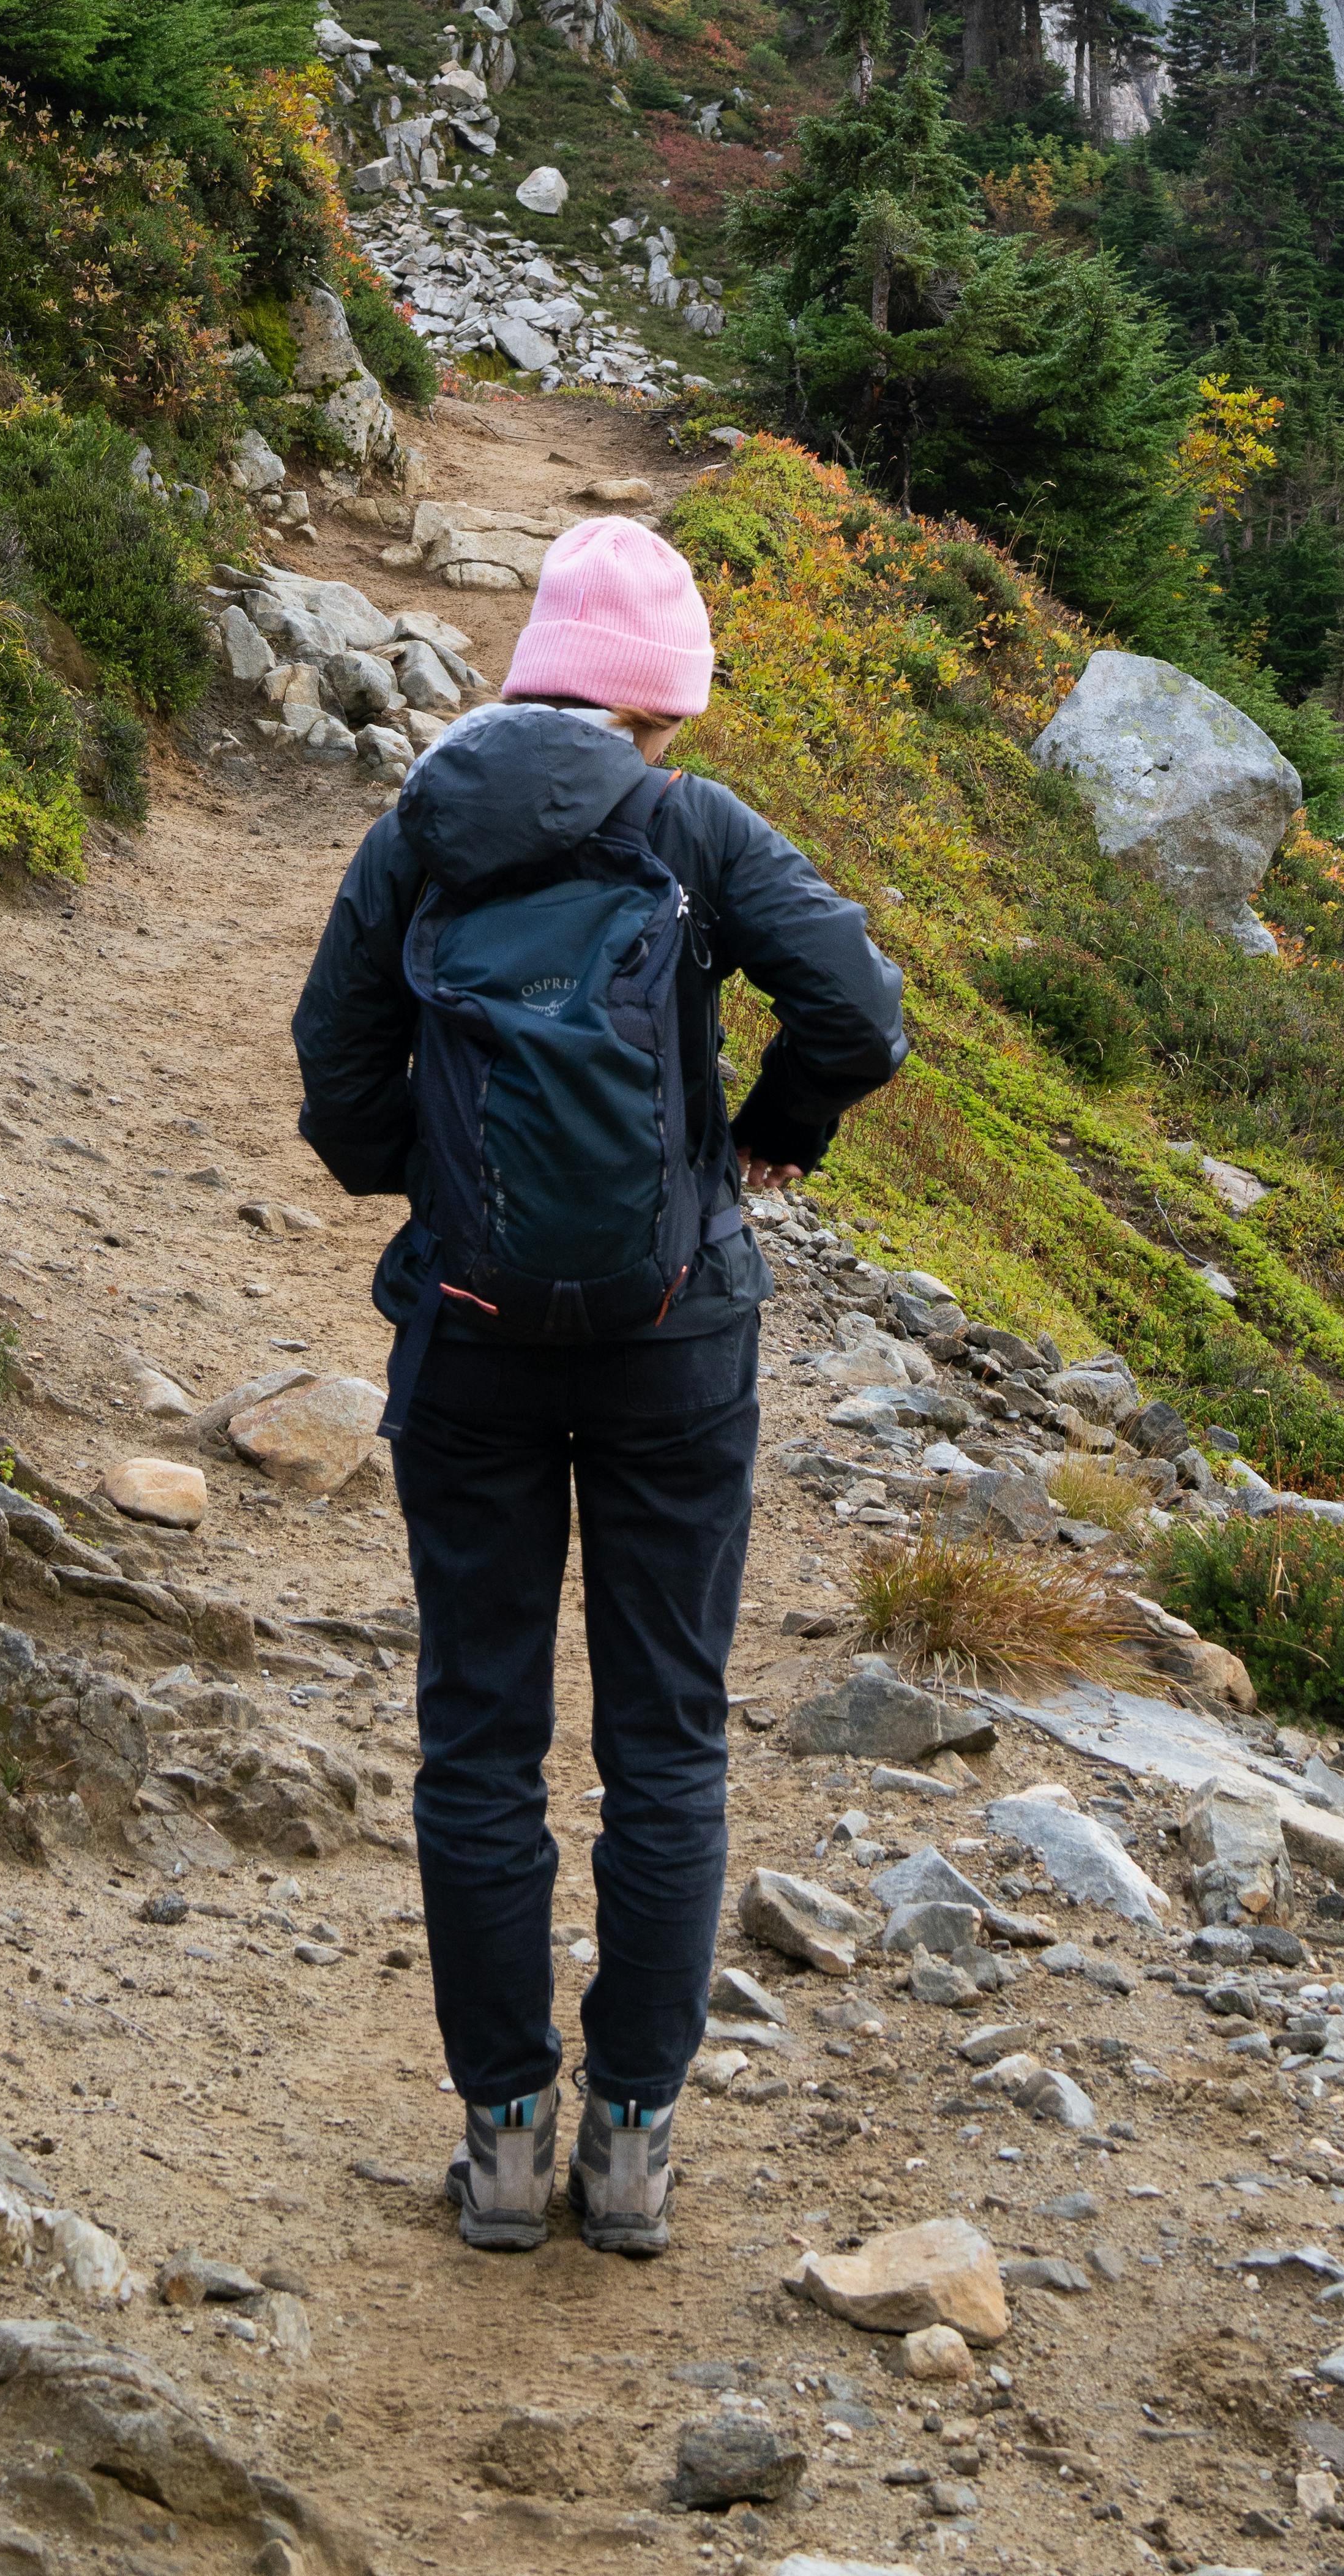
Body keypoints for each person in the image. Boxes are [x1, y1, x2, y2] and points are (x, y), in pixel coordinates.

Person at [290, 510, 906, 2257]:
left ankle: (499, 2139)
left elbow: (334, 1071)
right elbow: (858, 1010)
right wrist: (764, 1143)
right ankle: (629, 2143)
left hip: (471, 1337)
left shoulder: (424, 827)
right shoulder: (692, 827)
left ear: (532, 675)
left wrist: (438, 1184)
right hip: (674, 1341)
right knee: (666, 1738)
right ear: (663, 704)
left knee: (478, 1737)